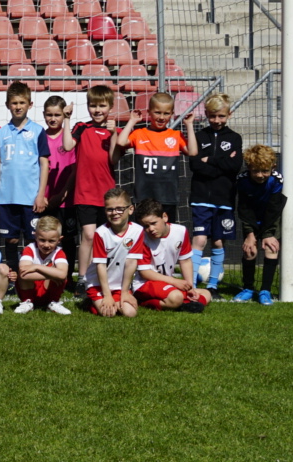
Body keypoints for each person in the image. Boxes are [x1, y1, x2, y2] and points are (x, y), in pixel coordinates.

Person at [69, 85, 125, 292]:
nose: (98, 110)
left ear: (110, 107)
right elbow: (67, 146)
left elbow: (113, 159)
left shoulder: (117, 132)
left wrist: (112, 135)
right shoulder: (81, 127)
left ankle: (103, 277)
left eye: (102, 105)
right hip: (84, 192)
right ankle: (82, 278)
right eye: (93, 105)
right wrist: (67, 120)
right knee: (89, 235)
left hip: (107, 195)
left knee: (105, 237)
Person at [189, 92, 242, 296]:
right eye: (212, 116)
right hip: (201, 198)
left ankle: (212, 285)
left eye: (221, 116)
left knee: (218, 241)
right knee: (200, 240)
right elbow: (195, 165)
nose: (217, 120)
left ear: (229, 114)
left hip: (224, 199)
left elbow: (234, 166)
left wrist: (209, 161)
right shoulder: (201, 136)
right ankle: (191, 284)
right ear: (206, 115)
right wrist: (221, 162)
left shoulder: (235, 138)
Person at [117, 91, 199, 221]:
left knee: (165, 233)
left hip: (167, 195)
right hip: (144, 195)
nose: (161, 117)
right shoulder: (139, 133)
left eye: (166, 113)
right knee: (144, 233)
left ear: (172, 114)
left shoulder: (175, 135)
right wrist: (132, 121)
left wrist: (189, 125)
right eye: (157, 112)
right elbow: (120, 142)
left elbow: (193, 152)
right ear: (149, 112)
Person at [0, 81, 51, 261]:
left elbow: (44, 164)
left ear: (30, 104)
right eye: (14, 103)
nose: (18, 107)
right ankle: (12, 276)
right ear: (7, 105)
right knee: (10, 239)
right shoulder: (1, 133)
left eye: (22, 103)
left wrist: (40, 194)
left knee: (32, 239)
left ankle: (31, 276)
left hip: (30, 198)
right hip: (7, 197)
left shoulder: (38, 131)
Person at [133, 199, 209, 313]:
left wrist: (190, 286)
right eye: (146, 226)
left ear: (164, 217)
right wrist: (174, 281)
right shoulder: (142, 239)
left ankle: (183, 304)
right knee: (176, 297)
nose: (151, 229)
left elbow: (186, 261)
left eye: (154, 223)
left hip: (166, 283)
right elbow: (145, 273)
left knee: (206, 294)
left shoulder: (181, 231)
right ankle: (143, 302)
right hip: (144, 284)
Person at [233, 143, 286, 304]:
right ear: (248, 167)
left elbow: (274, 208)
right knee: (250, 251)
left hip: (271, 219)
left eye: (265, 171)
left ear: (273, 167)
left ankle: (265, 291)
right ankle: (248, 288)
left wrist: (268, 234)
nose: (260, 175)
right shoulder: (242, 181)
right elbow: (244, 208)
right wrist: (250, 234)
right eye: (255, 170)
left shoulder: (276, 181)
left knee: (271, 248)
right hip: (251, 219)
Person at [85, 187, 143, 318]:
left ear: (130, 209)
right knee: (109, 313)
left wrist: (125, 292)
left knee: (130, 313)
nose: (114, 213)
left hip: (119, 285)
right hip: (98, 284)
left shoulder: (138, 231)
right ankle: (91, 302)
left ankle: (114, 299)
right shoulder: (101, 233)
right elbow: (100, 265)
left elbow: (131, 262)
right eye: (110, 209)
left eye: (119, 208)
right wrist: (107, 295)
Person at [42, 96, 78, 263]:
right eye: (49, 115)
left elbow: (74, 170)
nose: (53, 119)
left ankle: (68, 277)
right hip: (44, 199)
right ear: (43, 115)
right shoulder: (39, 137)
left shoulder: (69, 138)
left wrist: (63, 194)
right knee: (45, 238)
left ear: (64, 116)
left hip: (66, 200)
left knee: (68, 239)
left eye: (57, 115)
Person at [15, 215, 71, 314]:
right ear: (35, 236)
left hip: (49, 290)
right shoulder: (30, 249)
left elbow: (63, 274)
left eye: (51, 241)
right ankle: (27, 302)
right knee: (22, 274)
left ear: (59, 239)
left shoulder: (59, 252)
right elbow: (23, 273)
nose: (46, 245)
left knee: (59, 273)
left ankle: (53, 303)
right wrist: (52, 274)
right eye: (42, 240)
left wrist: (36, 267)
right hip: (31, 289)